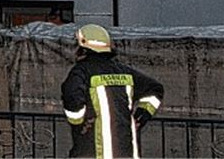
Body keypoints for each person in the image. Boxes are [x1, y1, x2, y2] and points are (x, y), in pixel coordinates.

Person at [61, 24, 164, 159]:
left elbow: (72, 96)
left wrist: (77, 122)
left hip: (90, 151)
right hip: (125, 153)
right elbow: (155, 88)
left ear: (84, 47)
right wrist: (142, 114)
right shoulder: (124, 71)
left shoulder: (81, 71)